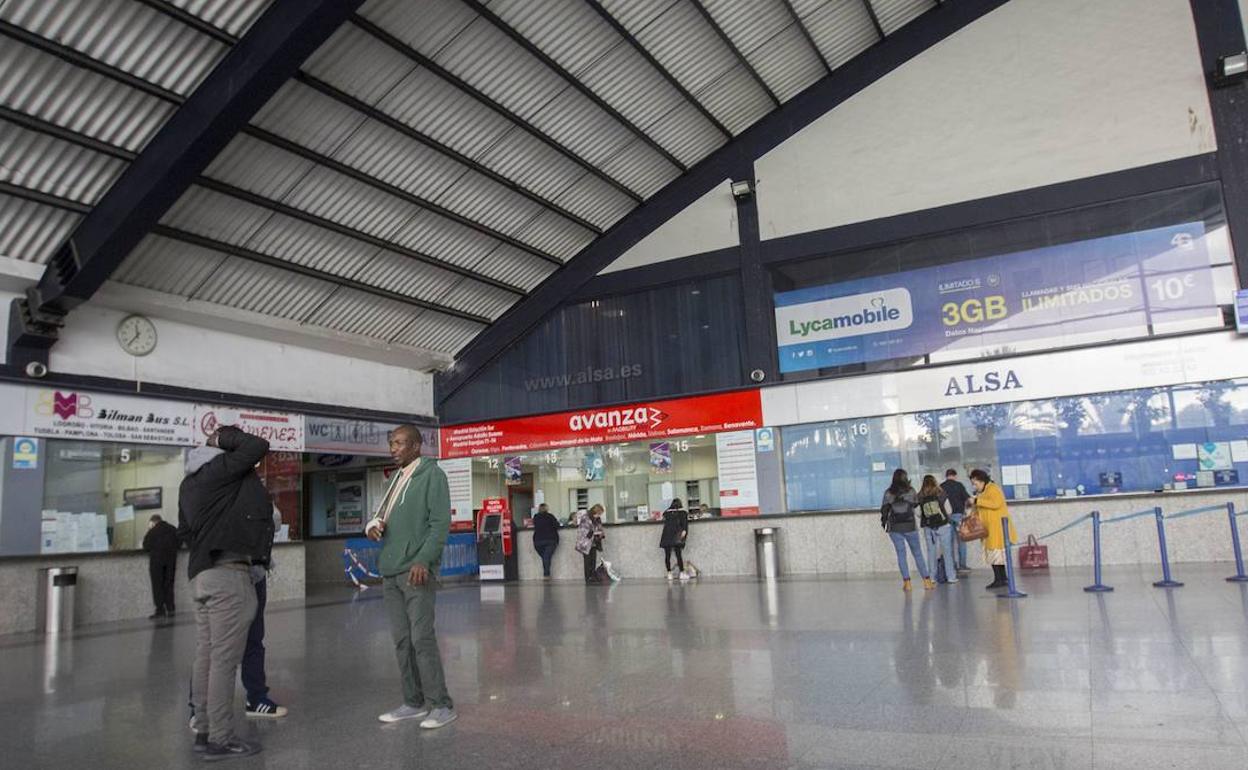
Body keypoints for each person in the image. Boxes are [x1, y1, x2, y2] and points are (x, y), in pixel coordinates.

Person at [178, 426, 274, 761]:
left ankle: (204, 731)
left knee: (206, 655)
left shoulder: (189, 483)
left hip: (200, 575)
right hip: (227, 573)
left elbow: (185, 531)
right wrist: (221, 437)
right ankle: (221, 738)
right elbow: (258, 444)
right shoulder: (220, 469)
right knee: (223, 659)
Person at [366, 425, 456, 729]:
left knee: (421, 638)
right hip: (391, 570)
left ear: (417, 446)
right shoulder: (396, 479)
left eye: (400, 443)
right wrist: (372, 526)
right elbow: (382, 515)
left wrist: (423, 559)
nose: (394, 448)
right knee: (402, 641)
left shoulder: (432, 475)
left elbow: (440, 523)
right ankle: (413, 701)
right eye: (392, 443)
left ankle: (441, 705)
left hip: (415, 570)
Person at [240, 504, 287, 719]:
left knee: (255, 639)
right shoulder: (212, 483)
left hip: (256, 572)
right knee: (214, 644)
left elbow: (275, 518)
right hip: (226, 575)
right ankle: (199, 707)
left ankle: (256, 697)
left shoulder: (253, 487)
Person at [880, 469, 934, 592]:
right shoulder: (911, 491)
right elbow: (915, 504)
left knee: (901, 555)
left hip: (895, 527)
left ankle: (907, 583)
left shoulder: (888, 493)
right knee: (918, 553)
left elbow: (884, 509)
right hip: (910, 526)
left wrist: (884, 523)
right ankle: (927, 581)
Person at [969, 469, 1014, 590]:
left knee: (996, 553)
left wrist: (977, 501)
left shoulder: (993, 489)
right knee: (993, 554)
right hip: (988, 529)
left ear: (982, 481)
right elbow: (980, 507)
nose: (974, 486)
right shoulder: (982, 492)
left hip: (997, 528)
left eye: (975, 483)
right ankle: (1000, 578)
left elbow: (996, 503)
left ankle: (1000, 579)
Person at [917, 475, 957, 585]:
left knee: (931, 552)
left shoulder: (920, 495)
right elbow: (949, 510)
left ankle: (932, 577)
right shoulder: (941, 493)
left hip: (928, 527)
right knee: (947, 551)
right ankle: (951, 577)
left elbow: (918, 513)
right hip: (943, 525)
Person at [142, 514, 180, 619]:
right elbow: (179, 543)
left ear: (153, 522)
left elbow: (146, 545)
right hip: (171, 562)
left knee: (157, 585)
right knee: (169, 584)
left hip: (156, 562)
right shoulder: (173, 529)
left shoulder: (153, 531)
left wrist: (150, 530)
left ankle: (160, 609)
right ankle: (171, 608)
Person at [940, 469, 972, 575]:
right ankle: (962, 565)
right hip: (959, 516)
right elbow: (968, 499)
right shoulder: (959, 485)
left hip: (946, 518)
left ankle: (952, 565)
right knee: (961, 541)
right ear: (955, 475)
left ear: (946, 475)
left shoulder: (941, 487)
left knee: (949, 543)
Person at [659, 498, 689, 581]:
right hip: (676, 536)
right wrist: (684, 532)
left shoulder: (667, 513)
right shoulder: (683, 513)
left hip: (666, 536)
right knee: (678, 555)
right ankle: (682, 573)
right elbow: (685, 525)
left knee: (667, 555)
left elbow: (663, 516)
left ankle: (669, 573)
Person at [575, 504, 606, 584]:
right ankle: (588, 578)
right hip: (585, 542)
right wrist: (593, 532)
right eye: (599, 513)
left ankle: (593, 576)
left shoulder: (597, 519)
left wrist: (601, 533)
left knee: (593, 560)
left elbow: (599, 528)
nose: (599, 515)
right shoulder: (585, 516)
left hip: (594, 542)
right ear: (595, 510)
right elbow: (581, 528)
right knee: (587, 561)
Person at [531, 503, 560, 578]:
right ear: (547, 509)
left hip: (538, 541)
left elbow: (535, 525)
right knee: (546, 557)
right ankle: (546, 574)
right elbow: (557, 525)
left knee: (545, 557)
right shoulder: (550, 516)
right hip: (551, 539)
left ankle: (546, 574)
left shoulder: (536, 517)